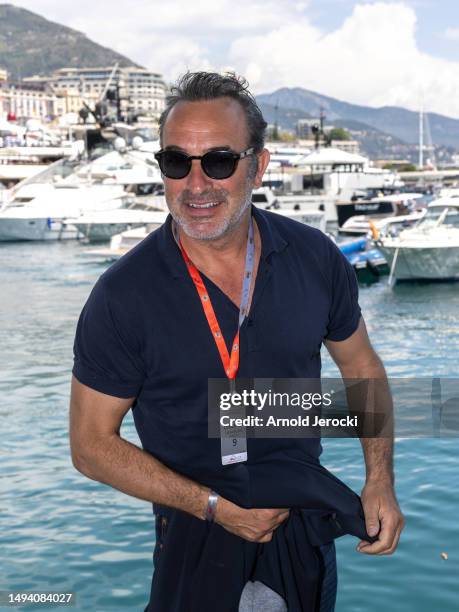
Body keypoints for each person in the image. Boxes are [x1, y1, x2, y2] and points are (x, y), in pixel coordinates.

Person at [70, 71, 404, 612]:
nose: (196, 185)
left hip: (302, 531)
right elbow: (90, 446)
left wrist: (379, 481)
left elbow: (362, 368)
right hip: (193, 537)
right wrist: (210, 505)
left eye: (219, 161)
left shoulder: (315, 258)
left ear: (259, 165)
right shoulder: (122, 295)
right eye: (176, 162)